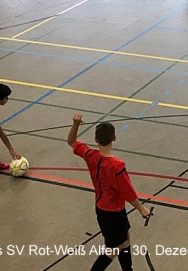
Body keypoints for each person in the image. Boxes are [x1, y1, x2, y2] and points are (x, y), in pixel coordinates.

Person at [68, 114, 153, 271]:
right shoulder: (116, 165)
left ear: (96, 139)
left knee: (125, 240)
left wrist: (75, 124)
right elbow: (127, 192)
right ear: (114, 138)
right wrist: (141, 208)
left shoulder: (90, 156)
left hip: (102, 208)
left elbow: (71, 141)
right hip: (113, 212)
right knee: (113, 249)